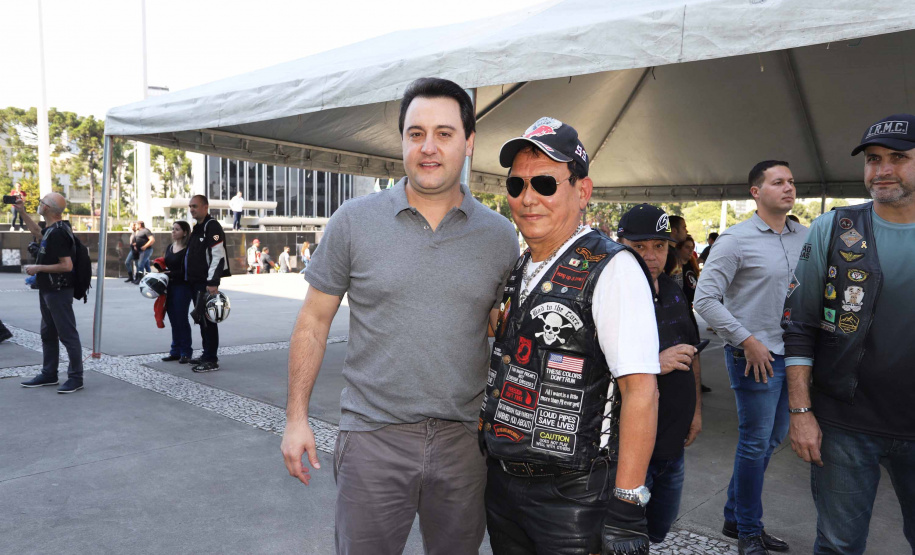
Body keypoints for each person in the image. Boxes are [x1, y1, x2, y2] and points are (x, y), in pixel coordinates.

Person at [281, 77, 519, 555]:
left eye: (444, 133)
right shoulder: (354, 220)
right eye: (416, 133)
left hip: (464, 444)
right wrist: (296, 417)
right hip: (372, 439)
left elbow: (502, 329)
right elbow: (313, 322)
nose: (428, 147)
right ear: (403, 141)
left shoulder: (499, 237)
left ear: (469, 142)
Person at [480, 117, 660, 555]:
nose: (528, 198)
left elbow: (641, 391)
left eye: (545, 183)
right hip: (504, 484)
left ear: (582, 191)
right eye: (517, 185)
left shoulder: (613, 268)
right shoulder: (523, 265)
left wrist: (627, 504)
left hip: (574, 498)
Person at [782, 113, 915, 555]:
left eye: (899, 157)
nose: (883, 170)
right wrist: (801, 411)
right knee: (838, 545)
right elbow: (799, 325)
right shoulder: (836, 228)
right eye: (873, 159)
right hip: (844, 425)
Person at [695, 160, 805, 555]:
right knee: (756, 443)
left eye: (791, 181)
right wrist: (746, 340)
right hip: (755, 357)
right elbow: (704, 299)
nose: (788, 188)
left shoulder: (806, 236)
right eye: (778, 182)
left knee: (771, 439)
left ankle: (733, 515)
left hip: (794, 355)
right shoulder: (734, 240)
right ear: (756, 192)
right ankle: (748, 530)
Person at [617, 204, 703, 544]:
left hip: (673, 448)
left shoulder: (672, 290)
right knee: (622, 538)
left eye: (659, 245)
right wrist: (654, 362)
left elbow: (692, 353)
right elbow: (585, 370)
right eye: (639, 246)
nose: (651, 256)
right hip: (629, 454)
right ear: (620, 245)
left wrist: (695, 412)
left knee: (656, 533)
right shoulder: (609, 294)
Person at [16, 193, 85, 393]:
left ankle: (76, 378)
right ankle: (49, 374)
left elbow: (66, 266)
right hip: (48, 289)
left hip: (58, 291)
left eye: (41, 202)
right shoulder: (52, 230)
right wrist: (22, 212)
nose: (39, 205)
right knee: (48, 334)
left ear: (46, 208)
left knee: (67, 335)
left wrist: (38, 268)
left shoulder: (58, 233)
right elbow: (38, 233)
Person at [185, 195, 228, 373]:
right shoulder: (198, 227)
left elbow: (218, 256)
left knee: (208, 322)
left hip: (205, 283)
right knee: (201, 320)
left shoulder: (212, 226)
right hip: (195, 281)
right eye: (190, 206)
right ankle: (206, 354)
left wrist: (212, 282)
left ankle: (211, 359)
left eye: (195, 206)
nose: (192, 209)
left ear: (205, 207)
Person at [160, 221, 193, 364]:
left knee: (181, 319)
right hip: (169, 286)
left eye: (177, 229)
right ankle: (175, 351)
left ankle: (186, 352)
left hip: (183, 286)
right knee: (173, 319)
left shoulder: (188, 249)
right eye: (173, 229)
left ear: (185, 232)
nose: (173, 231)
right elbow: (167, 264)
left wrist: (170, 273)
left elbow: (188, 270)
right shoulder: (170, 247)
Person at [664, 215, 688, 279]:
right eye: (684, 228)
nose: (686, 231)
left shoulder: (675, 251)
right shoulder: (666, 253)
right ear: (674, 231)